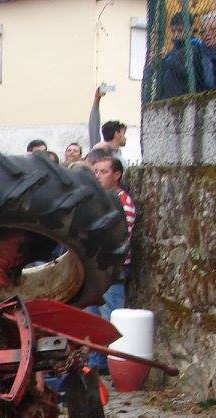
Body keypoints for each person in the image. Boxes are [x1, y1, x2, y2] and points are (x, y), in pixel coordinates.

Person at [86, 149, 135, 371]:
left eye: (103, 172)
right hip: (95, 268)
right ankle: (96, 364)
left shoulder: (123, 201)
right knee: (92, 321)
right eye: (95, 171)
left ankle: (112, 365)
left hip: (112, 270)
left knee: (110, 319)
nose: (97, 176)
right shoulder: (99, 200)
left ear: (116, 175)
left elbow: (119, 236)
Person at [157, 12, 216, 97]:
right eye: (173, 31)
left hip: (185, 97)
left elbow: (185, 70)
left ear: (190, 29)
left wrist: (167, 58)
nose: (176, 35)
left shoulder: (195, 48)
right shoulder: (174, 50)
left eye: (180, 31)